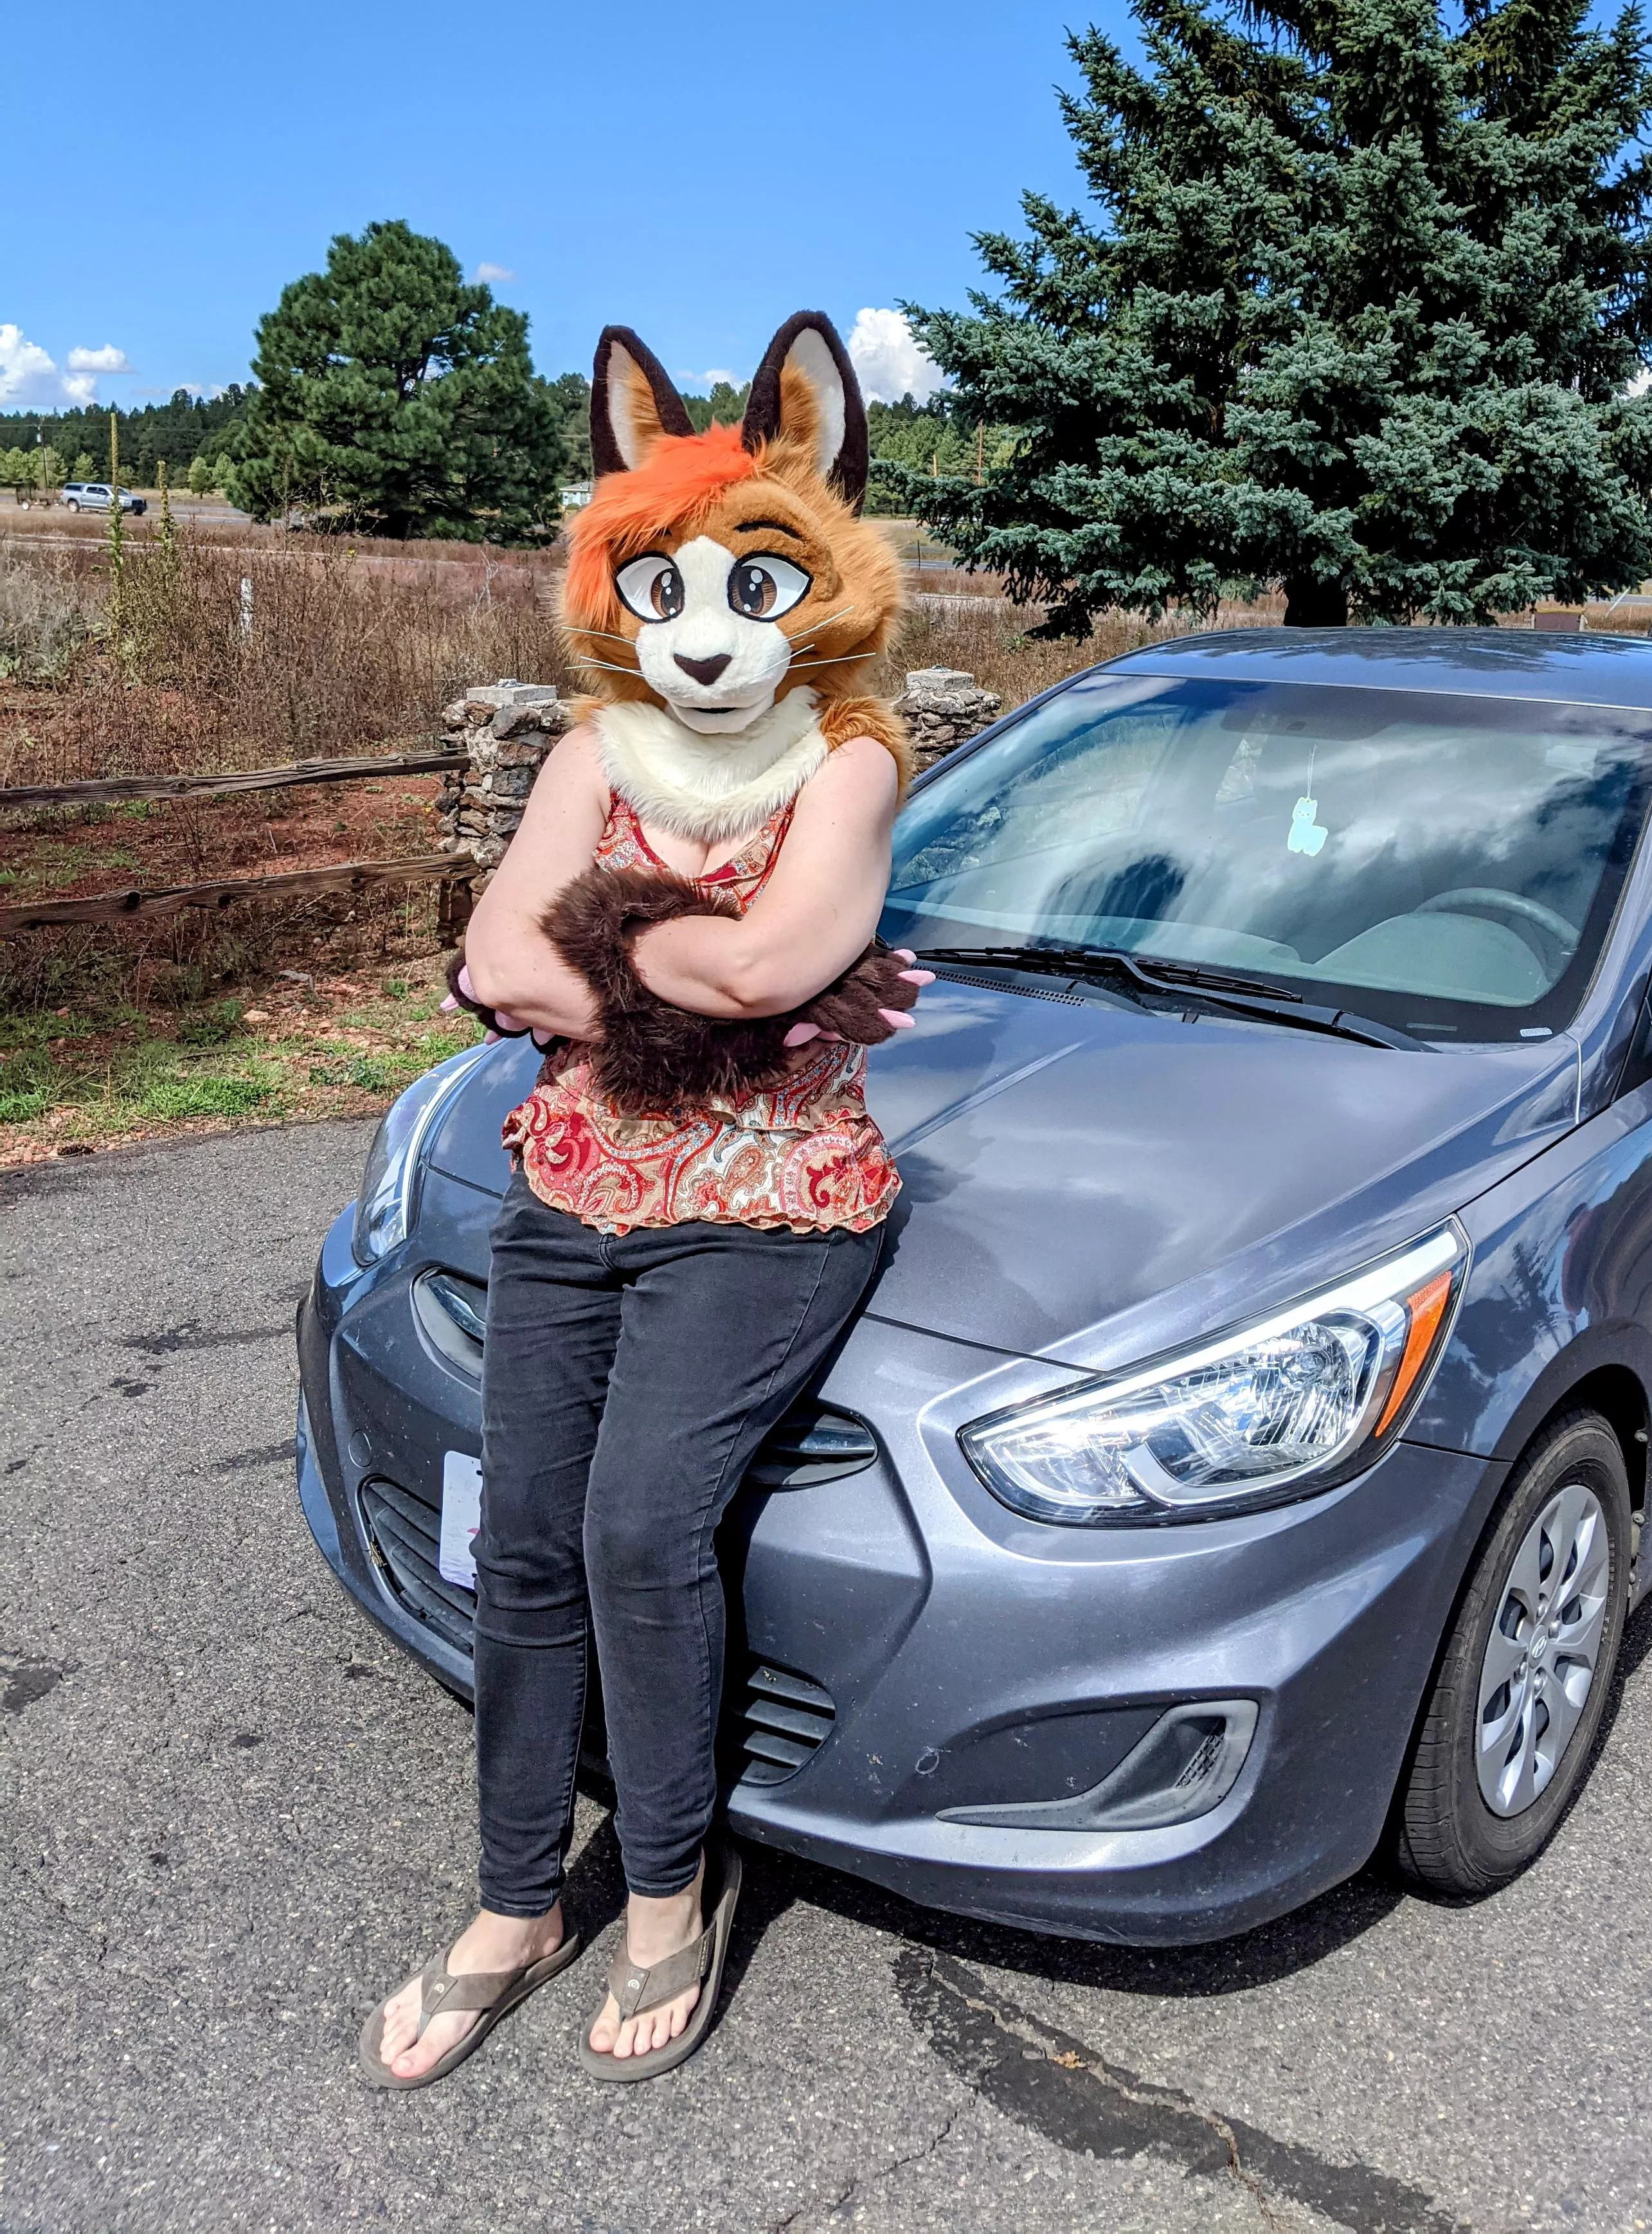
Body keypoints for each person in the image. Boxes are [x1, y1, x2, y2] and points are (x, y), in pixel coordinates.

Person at [361, 314, 926, 2087]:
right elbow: (491, 953)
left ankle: (673, 1887)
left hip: (770, 1204)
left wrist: (621, 950)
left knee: (635, 1529)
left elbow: (768, 959)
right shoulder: (600, 751)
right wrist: (716, 978)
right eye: (661, 584)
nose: (700, 635)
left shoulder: (853, 757)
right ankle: (516, 1897)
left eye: (746, 587)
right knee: (525, 1539)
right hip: (574, 1181)